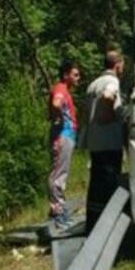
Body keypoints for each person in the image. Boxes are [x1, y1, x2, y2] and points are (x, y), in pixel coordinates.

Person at [81, 51, 127, 232]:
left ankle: (92, 223)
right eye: (122, 64)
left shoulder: (92, 84)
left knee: (95, 184)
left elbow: (85, 112)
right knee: (109, 184)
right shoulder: (112, 82)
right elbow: (107, 97)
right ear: (117, 65)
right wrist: (109, 116)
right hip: (109, 141)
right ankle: (107, 225)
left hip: (95, 141)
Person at [48, 60, 81, 230]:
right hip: (63, 136)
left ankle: (57, 210)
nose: (78, 78)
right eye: (75, 74)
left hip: (66, 135)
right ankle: (58, 213)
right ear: (65, 75)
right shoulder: (60, 89)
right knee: (58, 176)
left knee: (61, 174)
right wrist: (59, 118)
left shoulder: (65, 90)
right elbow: (55, 103)